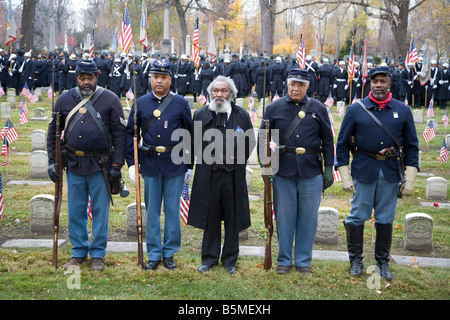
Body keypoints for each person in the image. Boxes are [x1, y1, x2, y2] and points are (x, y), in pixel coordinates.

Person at [335, 66, 419, 280]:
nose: (378, 85)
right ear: (369, 84)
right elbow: (342, 143)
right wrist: (344, 176)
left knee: (385, 218)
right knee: (357, 216)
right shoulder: (357, 109)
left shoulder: (402, 110)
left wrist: (409, 180)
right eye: (375, 81)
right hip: (364, 170)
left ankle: (382, 262)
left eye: (383, 81)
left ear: (390, 83)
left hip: (390, 172)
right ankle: (355, 261)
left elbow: (412, 146)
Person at [47, 59, 126, 271]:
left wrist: (117, 165)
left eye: (89, 78)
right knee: (75, 211)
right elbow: (53, 133)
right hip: (73, 164)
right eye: (82, 78)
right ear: (77, 78)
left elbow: (120, 135)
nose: (86, 82)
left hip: (100, 165)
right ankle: (79, 252)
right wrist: (53, 162)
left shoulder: (110, 100)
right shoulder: (64, 99)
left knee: (100, 211)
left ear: (96, 77)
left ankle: (98, 254)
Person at [259, 68, 334, 274]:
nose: (296, 88)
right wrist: (266, 167)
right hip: (283, 170)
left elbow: (327, 140)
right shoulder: (275, 108)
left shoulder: (318, 108)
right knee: (284, 217)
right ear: (287, 84)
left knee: (308, 218)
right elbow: (262, 139)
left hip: (311, 170)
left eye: (301, 85)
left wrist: (328, 168)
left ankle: (303, 261)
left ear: (307, 87)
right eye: (293, 84)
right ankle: (283, 260)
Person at [125, 58, 193, 271]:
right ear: (150, 78)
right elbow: (130, 133)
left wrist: (190, 165)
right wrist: (131, 163)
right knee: (152, 210)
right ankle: (153, 253)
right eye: (155, 77)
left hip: (175, 163)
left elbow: (189, 134)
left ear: (170, 80)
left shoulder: (180, 103)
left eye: (164, 77)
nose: (159, 81)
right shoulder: (141, 103)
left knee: (172, 210)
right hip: (150, 163)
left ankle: (169, 252)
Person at [188, 75, 254, 274]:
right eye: (215, 91)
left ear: (231, 94)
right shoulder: (200, 115)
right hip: (209, 175)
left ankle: (230, 260)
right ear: (210, 94)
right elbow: (192, 144)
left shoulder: (241, 115)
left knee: (233, 218)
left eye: (223, 91)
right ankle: (209, 258)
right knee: (211, 217)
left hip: (233, 175)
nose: (219, 94)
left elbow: (249, 142)